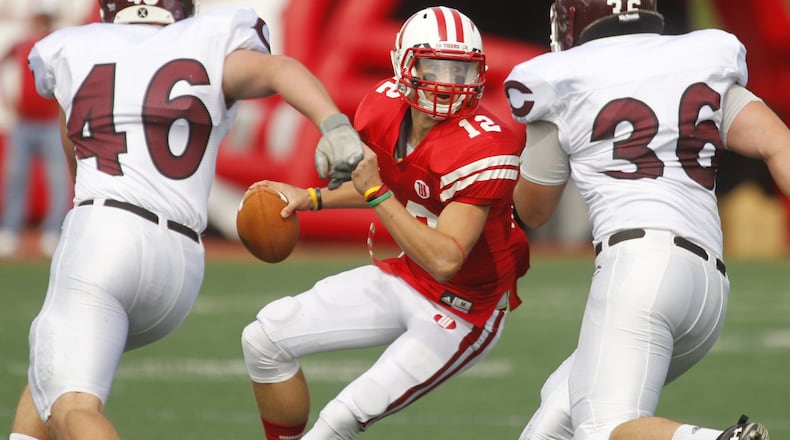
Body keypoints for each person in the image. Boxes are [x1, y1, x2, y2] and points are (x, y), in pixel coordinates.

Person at [8, 0, 364, 439]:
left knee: (73, 407)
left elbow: (73, 147)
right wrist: (334, 125)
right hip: (180, 264)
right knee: (53, 365)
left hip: (104, 238)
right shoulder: (209, 40)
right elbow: (279, 69)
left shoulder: (73, 48)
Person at [239, 6, 530, 439]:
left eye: (460, 71)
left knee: (340, 418)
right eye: (434, 67)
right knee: (263, 339)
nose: (447, 83)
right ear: (403, 65)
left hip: (463, 311)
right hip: (407, 277)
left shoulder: (486, 145)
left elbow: (446, 257)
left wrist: (376, 191)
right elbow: (381, 182)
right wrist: (313, 197)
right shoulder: (383, 105)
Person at [503, 0, 789, 439]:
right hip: (708, 287)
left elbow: (534, 209)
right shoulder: (701, 57)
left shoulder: (558, 79)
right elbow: (775, 142)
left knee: (603, 429)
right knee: (552, 426)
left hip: (640, 269)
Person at [0, 7, 70, 258]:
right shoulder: (23, 44)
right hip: (24, 122)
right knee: (15, 179)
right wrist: (7, 98)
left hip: (50, 122)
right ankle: (10, 230)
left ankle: (53, 231)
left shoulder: (59, 45)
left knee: (58, 182)